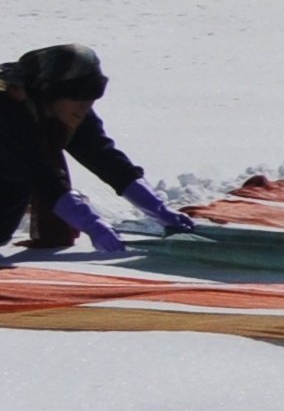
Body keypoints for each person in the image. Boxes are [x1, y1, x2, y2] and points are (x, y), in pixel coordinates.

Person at [2, 44, 194, 256]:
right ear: (49, 90)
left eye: (92, 96)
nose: (85, 106)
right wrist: (90, 223)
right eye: (78, 96)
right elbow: (40, 174)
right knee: (19, 177)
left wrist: (158, 209)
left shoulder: (65, 107)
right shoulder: (8, 108)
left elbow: (102, 155)